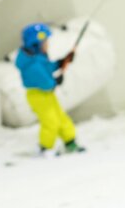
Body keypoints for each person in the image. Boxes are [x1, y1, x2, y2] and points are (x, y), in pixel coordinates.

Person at [15, 23, 84, 156]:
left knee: (60, 117)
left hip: (47, 95)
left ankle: (70, 141)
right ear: (35, 44)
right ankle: (45, 148)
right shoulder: (32, 65)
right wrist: (56, 82)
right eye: (45, 42)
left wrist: (61, 62)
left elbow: (48, 68)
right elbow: (45, 82)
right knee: (50, 121)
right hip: (38, 96)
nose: (47, 45)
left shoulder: (38, 58)